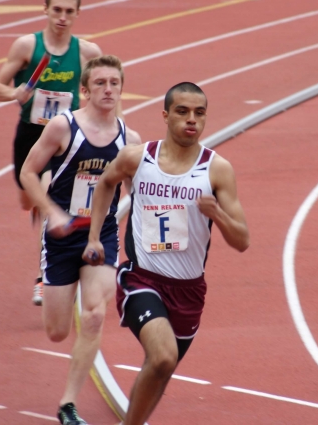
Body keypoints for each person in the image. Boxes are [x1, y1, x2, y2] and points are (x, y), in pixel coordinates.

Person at [84, 82, 250, 425]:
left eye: (199, 113)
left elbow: (242, 240)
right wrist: (96, 236)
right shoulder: (137, 158)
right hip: (142, 280)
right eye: (182, 111)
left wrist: (217, 214)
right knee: (162, 358)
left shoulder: (217, 169)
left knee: (163, 369)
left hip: (189, 291)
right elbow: (104, 184)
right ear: (165, 115)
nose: (191, 120)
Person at [20, 55, 141, 425]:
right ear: (85, 90)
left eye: (114, 83)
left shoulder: (129, 140)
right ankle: (55, 280)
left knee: (93, 316)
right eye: (100, 83)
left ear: (122, 88)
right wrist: (53, 213)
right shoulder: (63, 127)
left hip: (100, 234)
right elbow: (27, 172)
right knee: (57, 332)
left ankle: (67, 405)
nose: (108, 89)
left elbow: (138, 195)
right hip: (60, 237)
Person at [0, 0, 119, 306]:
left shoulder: (87, 51)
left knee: (48, 196)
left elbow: (102, 84)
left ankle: (41, 277)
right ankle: (39, 209)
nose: (62, 17)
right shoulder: (26, 46)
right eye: (57, 10)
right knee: (28, 200)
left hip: (66, 138)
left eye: (69, 12)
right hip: (31, 133)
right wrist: (15, 94)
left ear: (77, 14)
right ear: (45, 9)